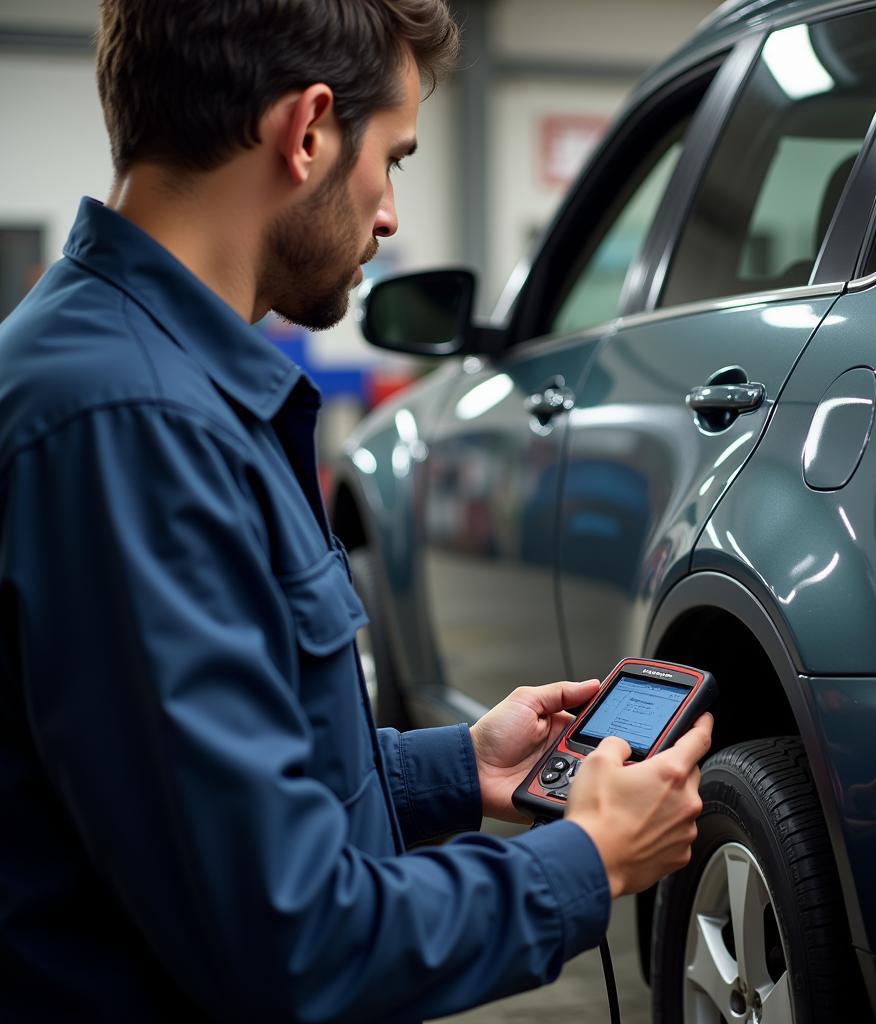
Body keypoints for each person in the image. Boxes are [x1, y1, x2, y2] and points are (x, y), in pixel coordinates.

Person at [0, 1, 713, 1020]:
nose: (387, 215)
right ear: (307, 132)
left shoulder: (136, 379)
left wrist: (459, 768)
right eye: (396, 159)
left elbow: (209, 773)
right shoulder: (131, 425)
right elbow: (290, 940)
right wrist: (584, 861)